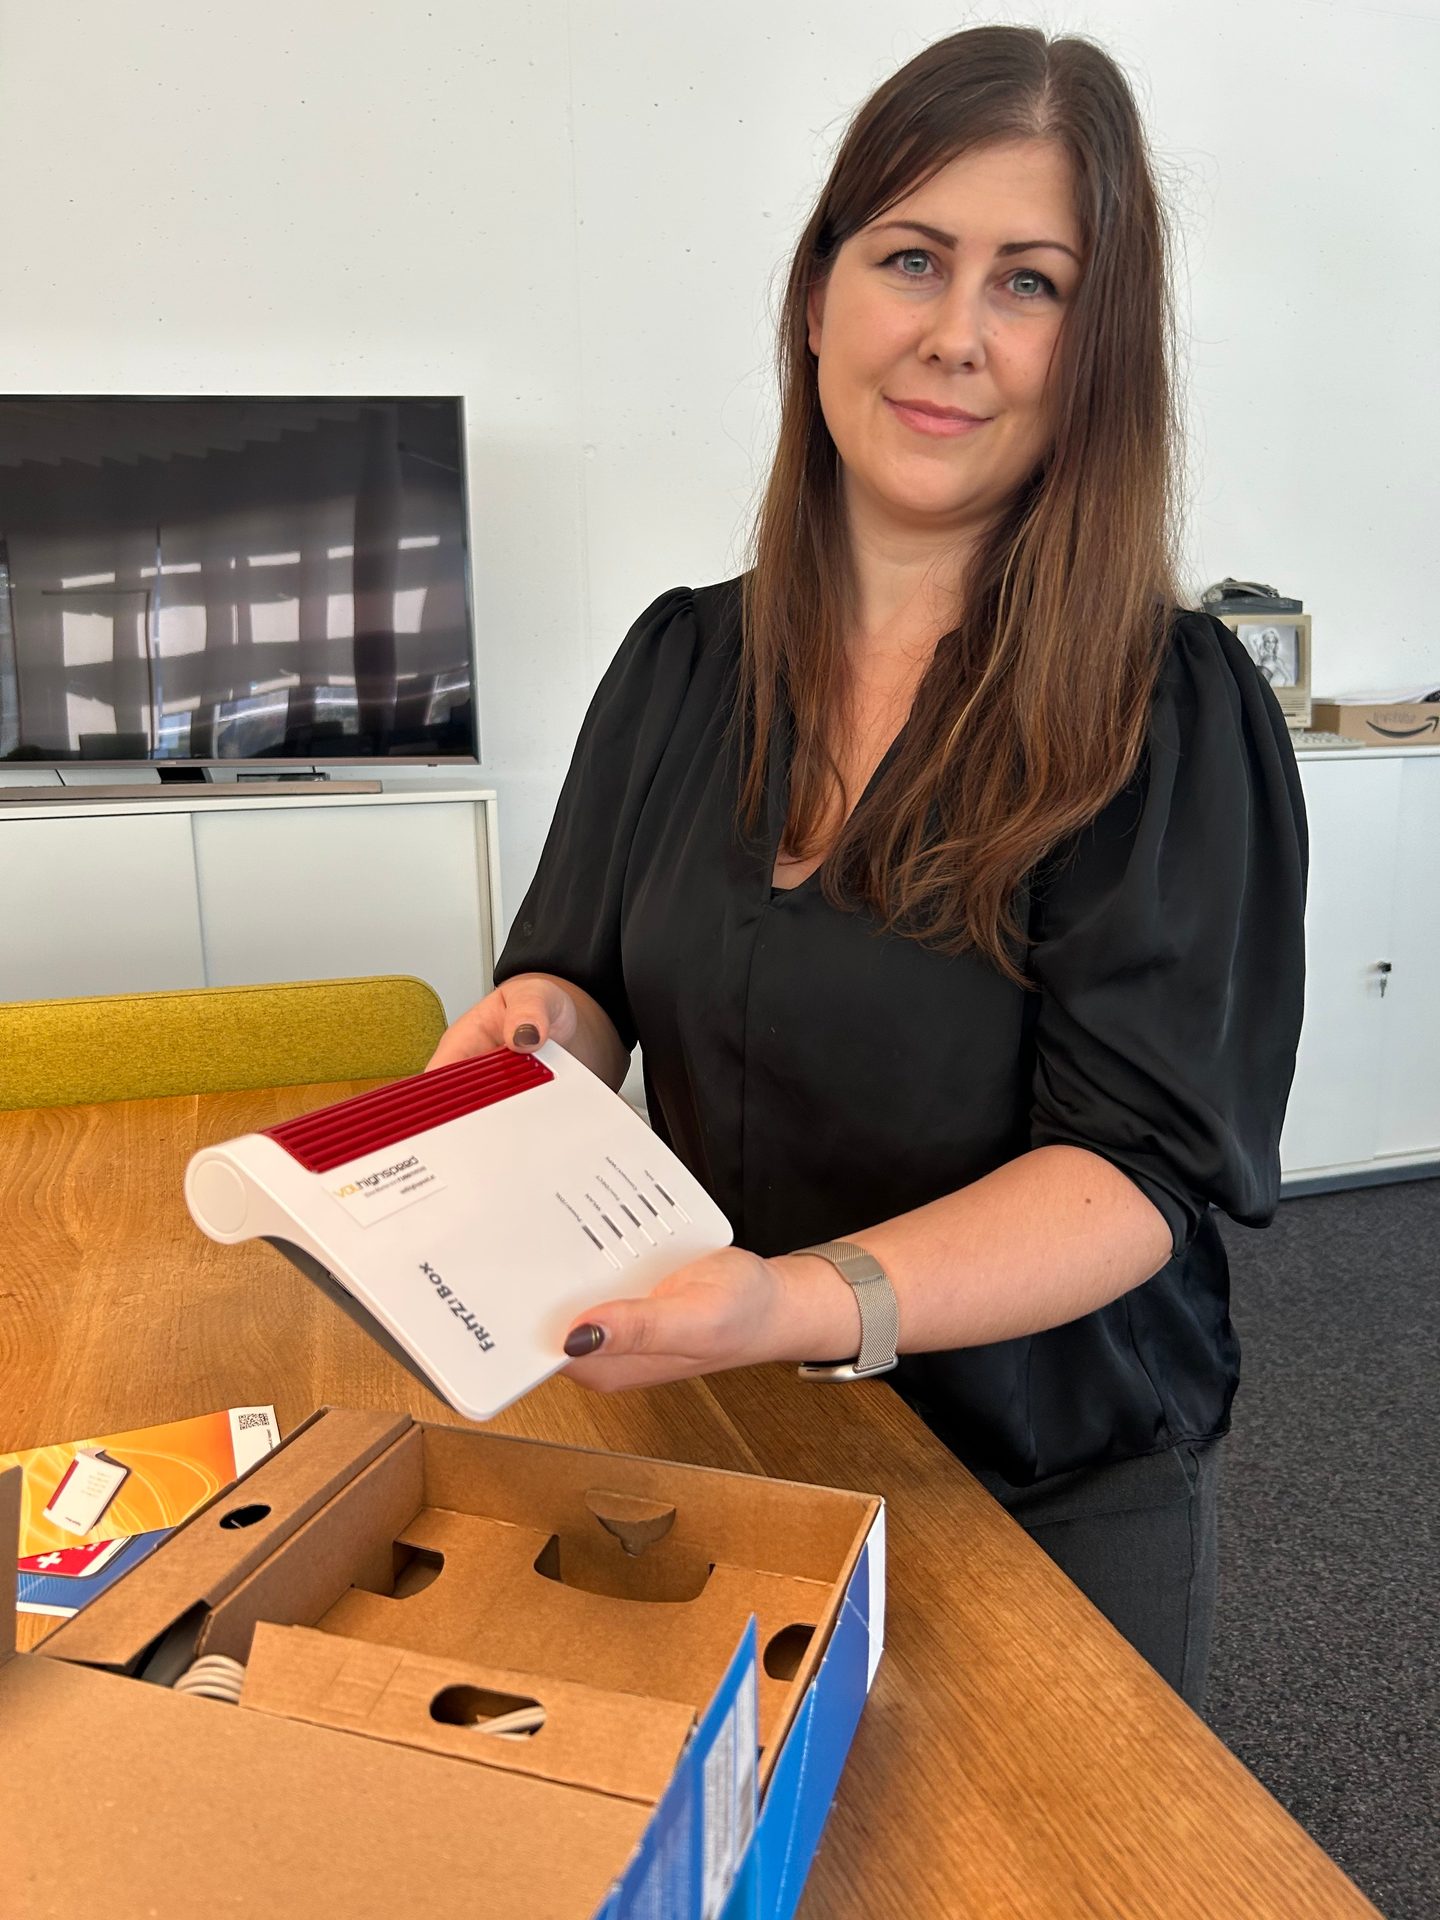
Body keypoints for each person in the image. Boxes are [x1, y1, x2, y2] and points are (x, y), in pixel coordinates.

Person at [429, 26, 1308, 1714]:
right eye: (912, 257)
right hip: (732, 1437)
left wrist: (805, 1302)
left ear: (1094, 352)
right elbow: (586, 984)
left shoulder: (1166, 707)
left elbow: (1135, 1175)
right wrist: (534, 1033)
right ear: (818, 295)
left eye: (1031, 284)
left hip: (1046, 1478)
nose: (956, 337)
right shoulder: (684, 661)